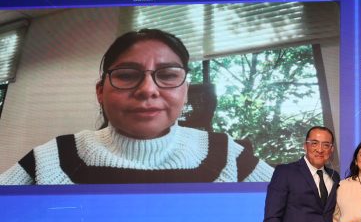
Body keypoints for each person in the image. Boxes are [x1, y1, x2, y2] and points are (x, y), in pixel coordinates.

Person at [0, 28, 273, 185]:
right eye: (127, 75)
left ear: (185, 91)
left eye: (168, 75)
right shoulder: (53, 158)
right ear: (100, 92)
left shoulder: (226, 155)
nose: (147, 90)